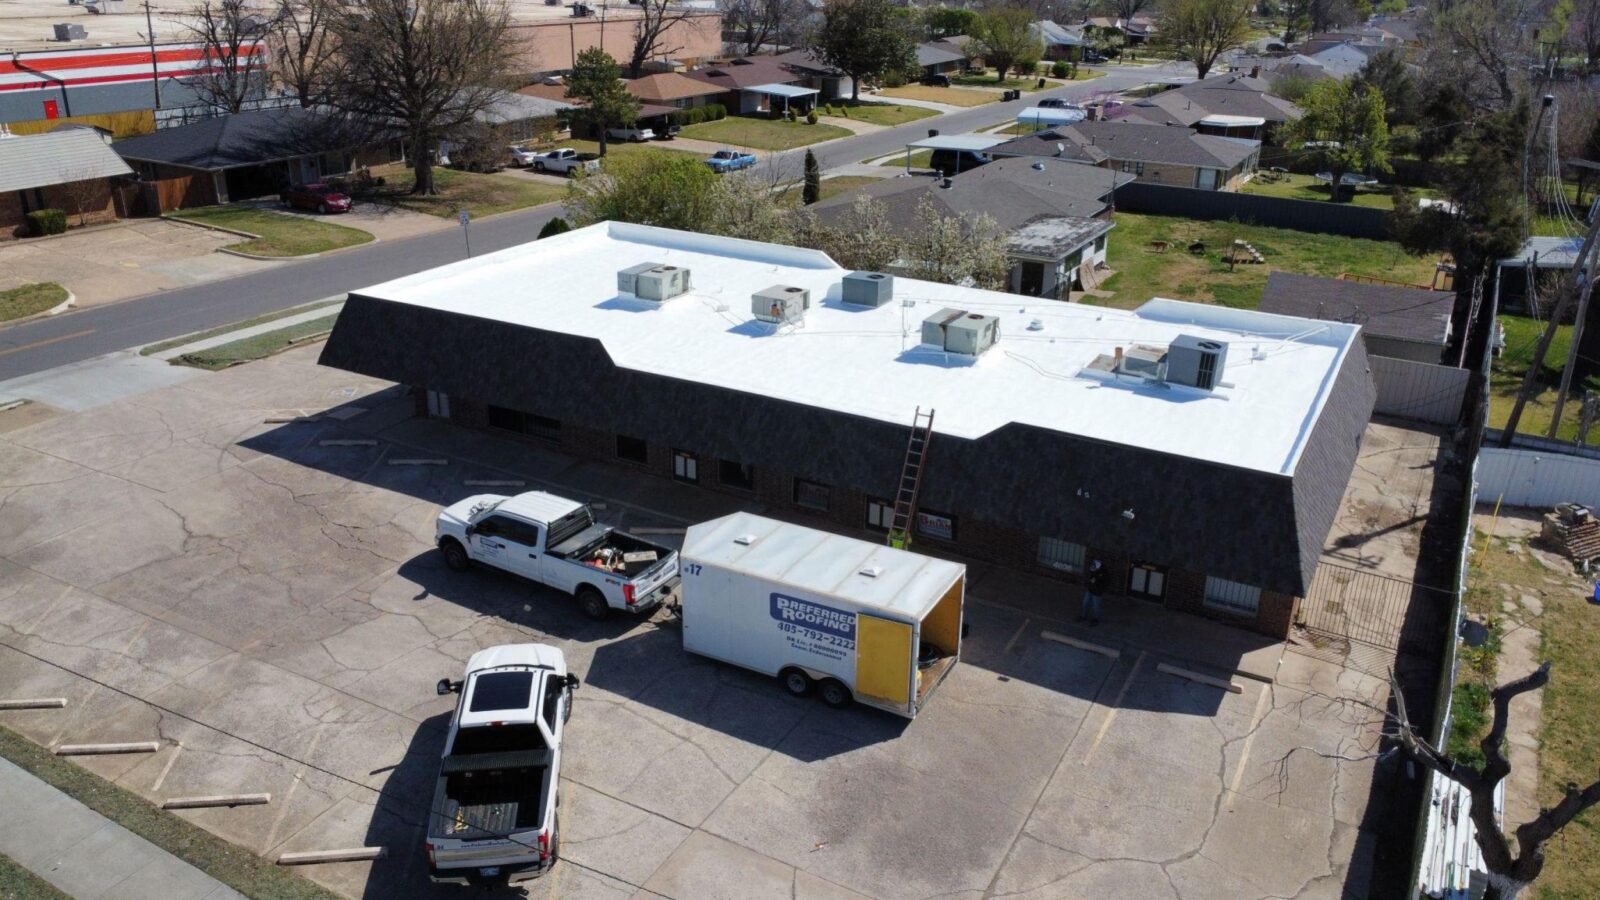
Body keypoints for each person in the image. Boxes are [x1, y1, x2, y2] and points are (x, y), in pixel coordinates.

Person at [1078, 558, 1107, 626]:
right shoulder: (1093, 571)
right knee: (1085, 603)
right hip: (1090, 589)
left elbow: (1104, 583)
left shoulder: (1103, 573)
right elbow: (1090, 578)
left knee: (1096, 606)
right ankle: (1083, 616)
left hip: (1097, 592)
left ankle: (1096, 619)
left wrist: (1098, 586)